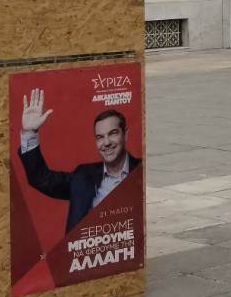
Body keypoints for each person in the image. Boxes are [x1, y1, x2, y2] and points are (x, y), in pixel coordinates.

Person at [18, 89, 140, 233]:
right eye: (100, 137)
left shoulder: (142, 171)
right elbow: (41, 178)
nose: (106, 143)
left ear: (125, 135)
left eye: (113, 133)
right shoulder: (83, 176)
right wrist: (30, 132)